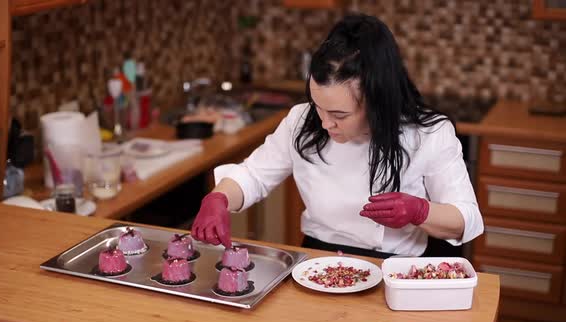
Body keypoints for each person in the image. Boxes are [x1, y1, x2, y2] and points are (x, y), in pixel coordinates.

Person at [191, 14, 483, 258]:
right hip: (317, 260)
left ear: (377, 101)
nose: (325, 123)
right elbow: (253, 176)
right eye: (319, 108)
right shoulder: (301, 121)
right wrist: (219, 197)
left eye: (339, 115)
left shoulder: (428, 133)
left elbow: (465, 219)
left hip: (394, 269)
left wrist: (420, 211)